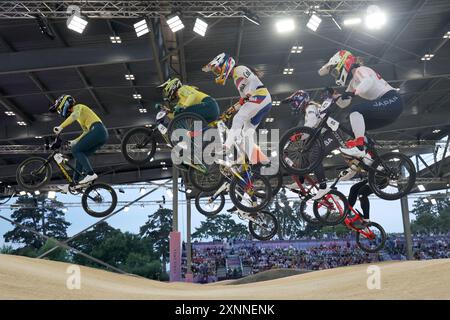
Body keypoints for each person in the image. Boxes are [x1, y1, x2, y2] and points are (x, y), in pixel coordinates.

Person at [318, 50, 403, 159]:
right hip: (388, 109)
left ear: (343, 64)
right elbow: (344, 103)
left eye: (335, 71)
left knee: (356, 110)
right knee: (356, 128)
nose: (336, 75)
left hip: (392, 100)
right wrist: (333, 95)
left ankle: (359, 148)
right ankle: (371, 158)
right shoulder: (353, 82)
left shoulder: (360, 70)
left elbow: (368, 82)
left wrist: (354, 92)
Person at [202, 53, 272, 164]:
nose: (218, 73)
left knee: (238, 118)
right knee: (246, 135)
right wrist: (231, 109)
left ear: (225, 64)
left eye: (218, 69)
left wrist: (248, 94)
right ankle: (255, 162)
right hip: (262, 101)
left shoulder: (239, 69)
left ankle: (226, 146)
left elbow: (253, 80)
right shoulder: (236, 79)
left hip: (261, 95)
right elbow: (243, 100)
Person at [50, 94, 108, 185]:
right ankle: (75, 182)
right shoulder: (80, 116)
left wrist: (60, 127)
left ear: (64, 104)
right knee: (80, 155)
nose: (59, 111)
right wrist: (74, 141)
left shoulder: (78, 107)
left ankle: (90, 173)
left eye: (59, 108)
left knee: (76, 150)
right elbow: (85, 132)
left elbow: (74, 116)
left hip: (97, 129)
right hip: (100, 134)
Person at [282, 90, 330, 199]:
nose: (294, 106)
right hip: (319, 136)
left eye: (295, 103)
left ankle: (323, 187)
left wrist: (298, 136)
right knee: (304, 153)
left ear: (302, 100)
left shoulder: (310, 107)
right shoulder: (309, 108)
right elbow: (308, 130)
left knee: (314, 157)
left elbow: (311, 123)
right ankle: (301, 181)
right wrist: (299, 137)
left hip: (329, 135)